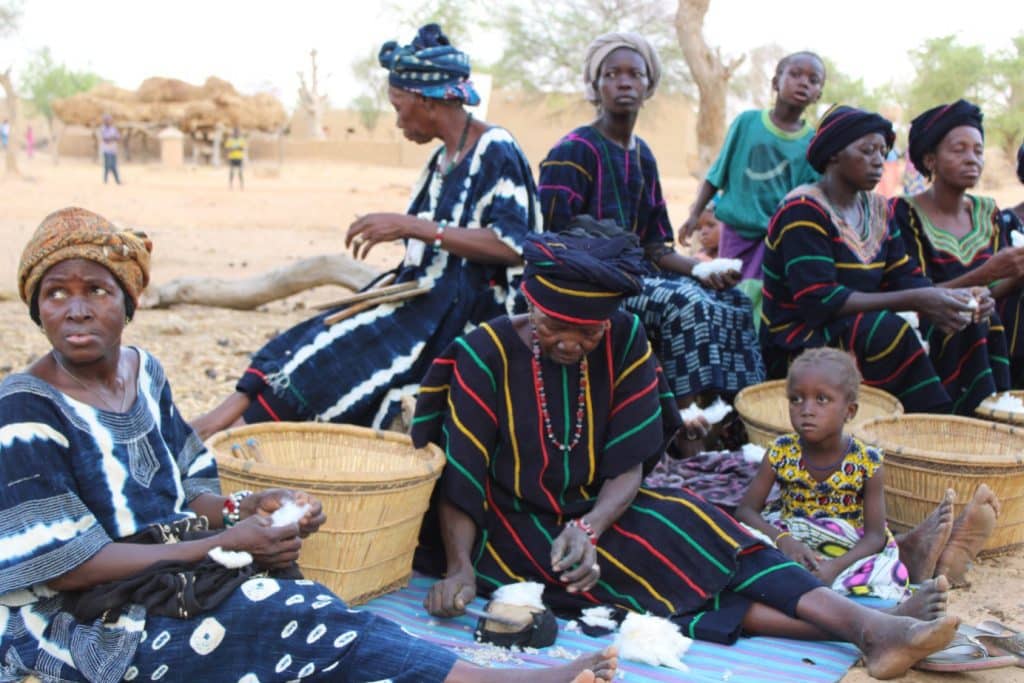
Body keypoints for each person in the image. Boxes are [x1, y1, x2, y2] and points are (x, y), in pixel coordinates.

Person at [0, 206, 619, 683]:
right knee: (280, 619)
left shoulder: (144, 372)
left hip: (164, 572)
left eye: (97, 291)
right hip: (79, 620)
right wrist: (222, 544)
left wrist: (257, 506)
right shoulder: (25, 411)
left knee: (306, 603)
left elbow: (189, 490)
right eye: (57, 294)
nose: (76, 309)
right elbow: (72, 566)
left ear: (128, 303)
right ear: (37, 309)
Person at [411, 230, 957, 680]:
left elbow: (630, 459)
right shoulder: (483, 353)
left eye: (589, 331)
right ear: (531, 306)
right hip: (508, 524)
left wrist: (594, 525)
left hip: (600, 509)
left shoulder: (624, 337)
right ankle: (867, 625)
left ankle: (869, 627)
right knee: (643, 581)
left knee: (707, 528)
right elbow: (463, 478)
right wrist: (459, 568)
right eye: (557, 328)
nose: (573, 343)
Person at [193, 24, 541, 439]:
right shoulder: (443, 159)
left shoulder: (495, 149)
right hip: (425, 297)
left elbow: (514, 244)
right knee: (304, 339)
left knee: (332, 360)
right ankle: (205, 430)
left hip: (461, 312)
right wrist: (407, 241)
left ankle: (221, 444)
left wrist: (410, 226)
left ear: (426, 101)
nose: (397, 120)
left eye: (398, 106)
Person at [536, 32, 763, 453]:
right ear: (596, 85)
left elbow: (656, 247)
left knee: (735, 302)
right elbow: (553, 246)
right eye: (611, 74)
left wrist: (700, 269)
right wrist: (618, 269)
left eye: (634, 74)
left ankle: (731, 423)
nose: (624, 82)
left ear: (648, 86)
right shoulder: (574, 151)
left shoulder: (642, 156)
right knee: (685, 304)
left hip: (639, 281)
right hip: (587, 287)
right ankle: (675, 429)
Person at [761, 105, 1000, 414]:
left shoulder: (877, 210)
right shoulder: (804, 209)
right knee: (886, 331)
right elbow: (819, 301)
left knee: (966, 320)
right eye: (867, 151)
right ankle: (926, 422)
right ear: (834, 154)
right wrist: (918, 298)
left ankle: (973, 419)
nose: (879, 160)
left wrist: (957, 298)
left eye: (883, 151)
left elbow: (906, 277)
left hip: (860, 324)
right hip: (803, 337)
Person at [735, 347, 999, 594]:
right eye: (796, 399)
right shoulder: (780, 451)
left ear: (849, 411)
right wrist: (784, 540)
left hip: (846, 546)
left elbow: (873, 536)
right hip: (792, 538)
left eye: (822, 399)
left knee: (884, 571)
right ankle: (915, 554)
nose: (806, 410)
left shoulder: (866, 461)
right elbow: (746, 511)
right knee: (748, 555)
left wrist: (834, 567)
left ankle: (919, 558)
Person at [892, 101, 1024, 387]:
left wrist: (1013, 274)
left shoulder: (988, 212)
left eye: (978, 151)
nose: (972, 159)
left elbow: (992, 291)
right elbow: (915, 298)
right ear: (930, 160)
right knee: (967, 323)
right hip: (931, 335)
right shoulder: (904, 215)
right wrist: (986, 274)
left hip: (986, 330)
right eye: (958, 149)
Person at [679, 51, 825, 307]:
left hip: (775, 239)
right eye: (795, 74)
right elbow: (718, 173)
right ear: (776, 82)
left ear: (818, 94)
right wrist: (695, 214)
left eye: (813, 80)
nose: (804, 83)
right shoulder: (747, 123)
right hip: (736, 232)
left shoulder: (811, 142)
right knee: (731, 293)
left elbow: (809, 197)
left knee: (763, 299)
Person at [100, 114, 121, 184]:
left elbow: (118, 138)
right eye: (107, 120)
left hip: (113, 150)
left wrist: (112, 138)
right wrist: (113, 138)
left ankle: (117, 180)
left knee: (113, 165)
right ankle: (105, 180)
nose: (108, 121)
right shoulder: (103, 129)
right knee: (107, 165)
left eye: (109, 120)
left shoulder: (113, 129)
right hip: (106, 150)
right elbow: (106, 139)